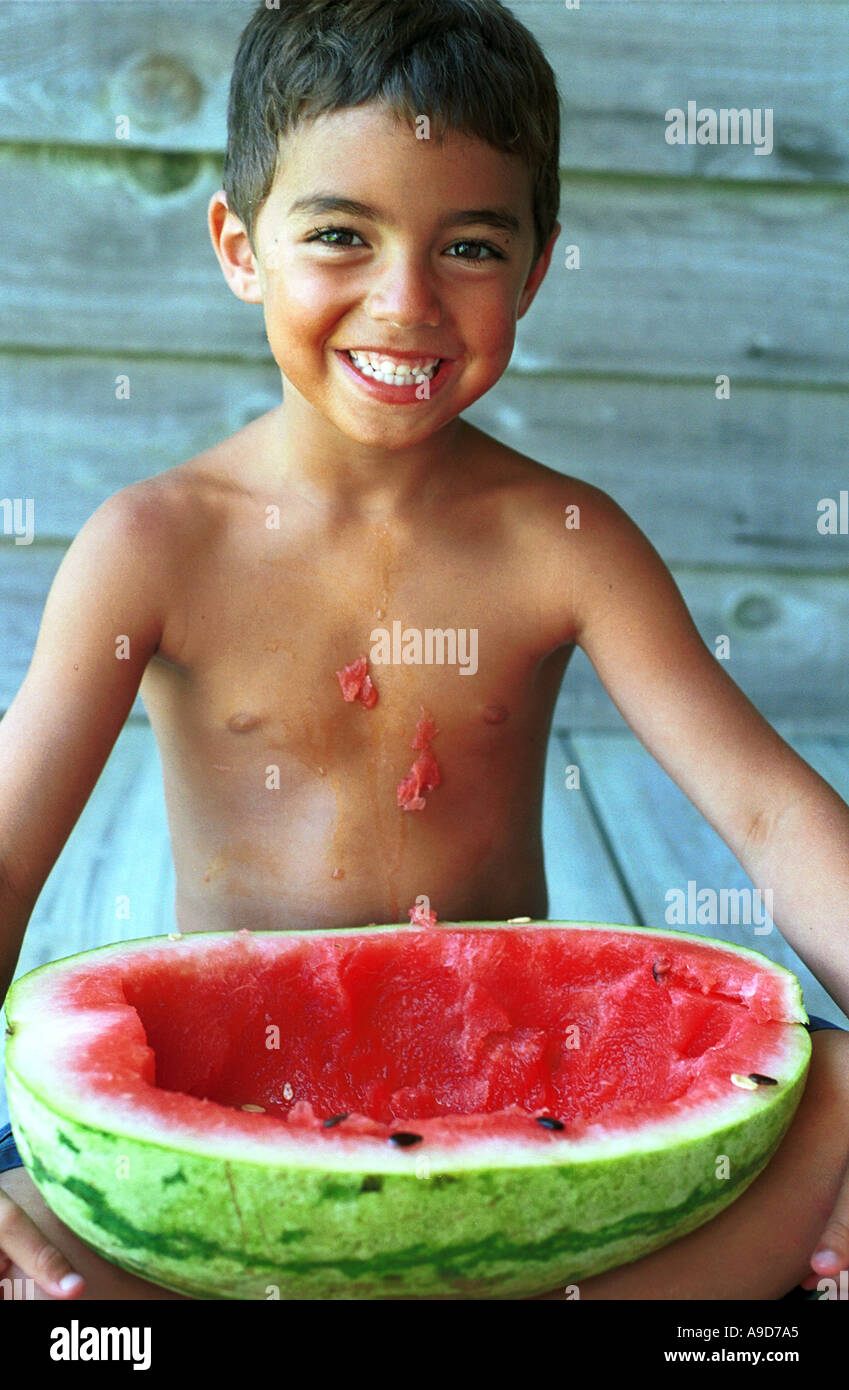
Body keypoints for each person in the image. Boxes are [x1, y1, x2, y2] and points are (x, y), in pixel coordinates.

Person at [1, 0, 847, 1302]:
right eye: (342, 234)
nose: (405, 302)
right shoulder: (152, 545)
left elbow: (770, 815)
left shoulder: (566, 539)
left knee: (836, 1087)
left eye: (468, 246)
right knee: (37, 1234)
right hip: (234, 1132)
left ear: (535, 270)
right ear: (239, 246)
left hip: (521, 1113)